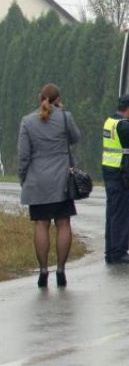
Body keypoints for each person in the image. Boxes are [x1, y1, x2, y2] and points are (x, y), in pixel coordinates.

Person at [18, 84, 81, 288]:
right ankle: (61, 270)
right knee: (63, 224)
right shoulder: (64, 117)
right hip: (62, 179)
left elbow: (24, 155)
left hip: (38, 181)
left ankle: (44, 271)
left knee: (41, 224)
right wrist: (61, 112)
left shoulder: (27, 122)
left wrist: (23, 178)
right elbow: (75, 138)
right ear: (57, 99)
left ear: (40, 98)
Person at [102, 94, 129, 264]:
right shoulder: (124, 125)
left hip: (110, 172)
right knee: (122, 215)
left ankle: (111, 251)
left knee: (112, 214)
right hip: (120, 175)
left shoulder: (109, 122)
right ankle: (119, 251)